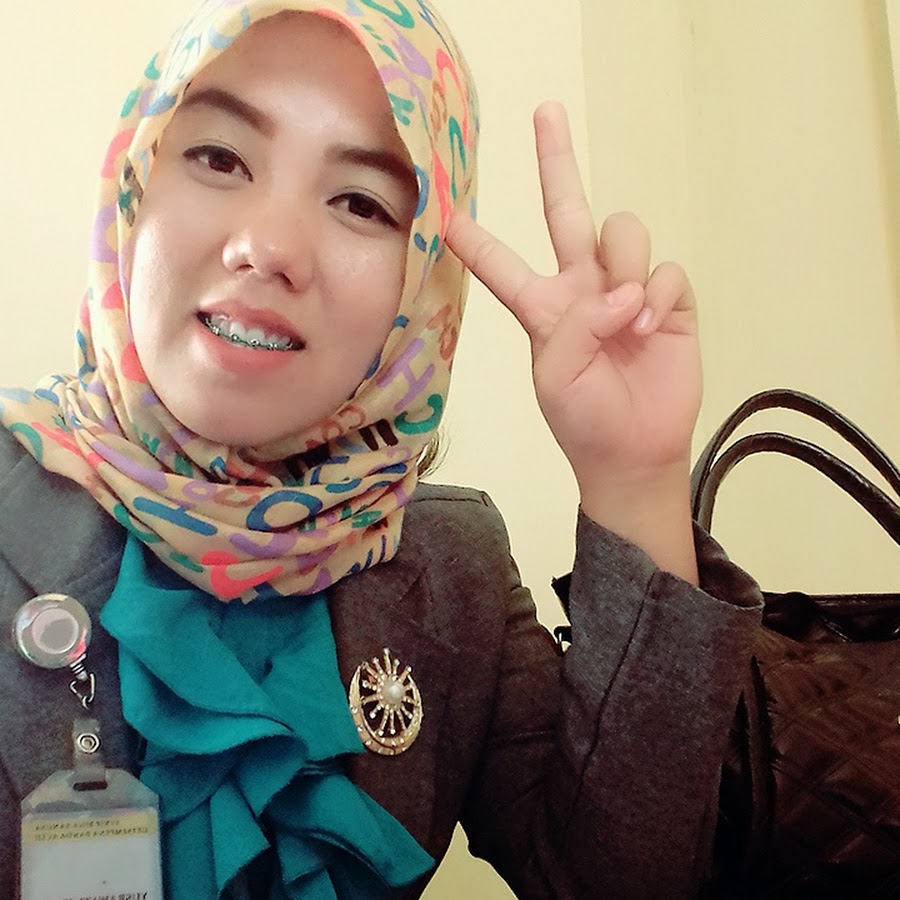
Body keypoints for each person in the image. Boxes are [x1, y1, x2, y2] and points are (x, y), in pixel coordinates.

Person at [0, 0, 762, 897]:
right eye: (220, 158)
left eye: (359, 202)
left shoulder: (456, 569)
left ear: (422, 281)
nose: (269, 247)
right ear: (135, 181)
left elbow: (615, 880)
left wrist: (635, 481)